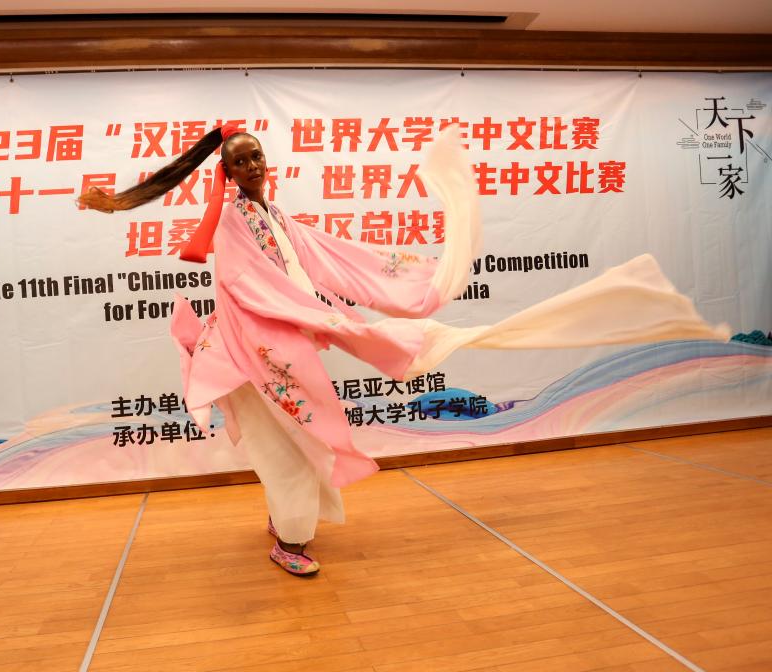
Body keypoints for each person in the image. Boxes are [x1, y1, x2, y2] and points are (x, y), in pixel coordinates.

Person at [79, 123, 728, 577]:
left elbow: (339, 261)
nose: (253, 167)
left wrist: (410, 283)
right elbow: (248, 284)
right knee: (292, 446)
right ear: (225, 172)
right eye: (241, 162)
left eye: (258, 158)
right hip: (252, 351)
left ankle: (285, 523)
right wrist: (323, 318)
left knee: (297, 442)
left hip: (282, 346)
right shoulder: (228, 221)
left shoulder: (277, 218)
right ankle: (291, 537)